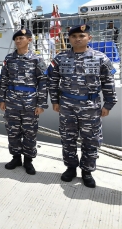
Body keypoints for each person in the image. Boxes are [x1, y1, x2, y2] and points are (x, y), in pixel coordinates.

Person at [48, 24, 117, 188]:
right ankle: (71, 168)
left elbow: (108, 82)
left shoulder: (100, 58)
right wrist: (55, 101)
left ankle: (87, 171)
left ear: (89, 38)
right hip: (67, 106)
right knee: (67, 138)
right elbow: (52, 81)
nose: (77, 39)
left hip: (90, 106)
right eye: (74, 36)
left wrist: (108, 103)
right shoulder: (60, 58)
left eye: (81, 36)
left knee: (91, 140)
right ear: (69, 39)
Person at [0, 29, 48, 175]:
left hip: (30, 102)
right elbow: (4, 80)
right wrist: (2, 99)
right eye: (16, 39)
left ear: (29, 40)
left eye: (21, 38)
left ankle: (28, 160)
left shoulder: (37, 59)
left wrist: (41, 104)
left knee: (29, 132)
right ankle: (16, 157)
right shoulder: (9, 58)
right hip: (12, 101)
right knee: (13, 131)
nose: (18, 41)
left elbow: (43, 82)